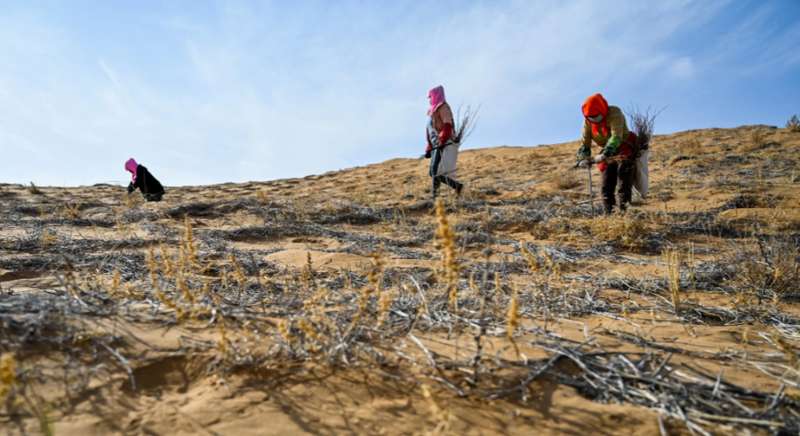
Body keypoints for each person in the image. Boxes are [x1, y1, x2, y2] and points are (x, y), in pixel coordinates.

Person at [576, 93, 638, 214]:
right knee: (606, 184)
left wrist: (605, 153)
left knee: (623, 180)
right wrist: (583, 158)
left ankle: (625, 213)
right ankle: (609, 214)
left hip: (624, 147)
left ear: (602, 110)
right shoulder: (588, 121)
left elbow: (616, 136)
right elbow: (585, 142)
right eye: (590, 117)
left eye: (596, 116)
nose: (594, 120)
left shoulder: (614, 113)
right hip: (606, 151)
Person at [424, 85, 463, 201]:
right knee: (433, 171)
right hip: (437, 144)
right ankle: (436, 197)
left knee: (435, 171)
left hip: (444, 143)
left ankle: (457, 187)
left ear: (436, 96)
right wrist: (428, 148)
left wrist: (442, 139)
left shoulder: (443, 107)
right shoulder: (432, 111)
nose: (429, 99)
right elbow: (430, 130)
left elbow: (447, 125)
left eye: (430, 96)